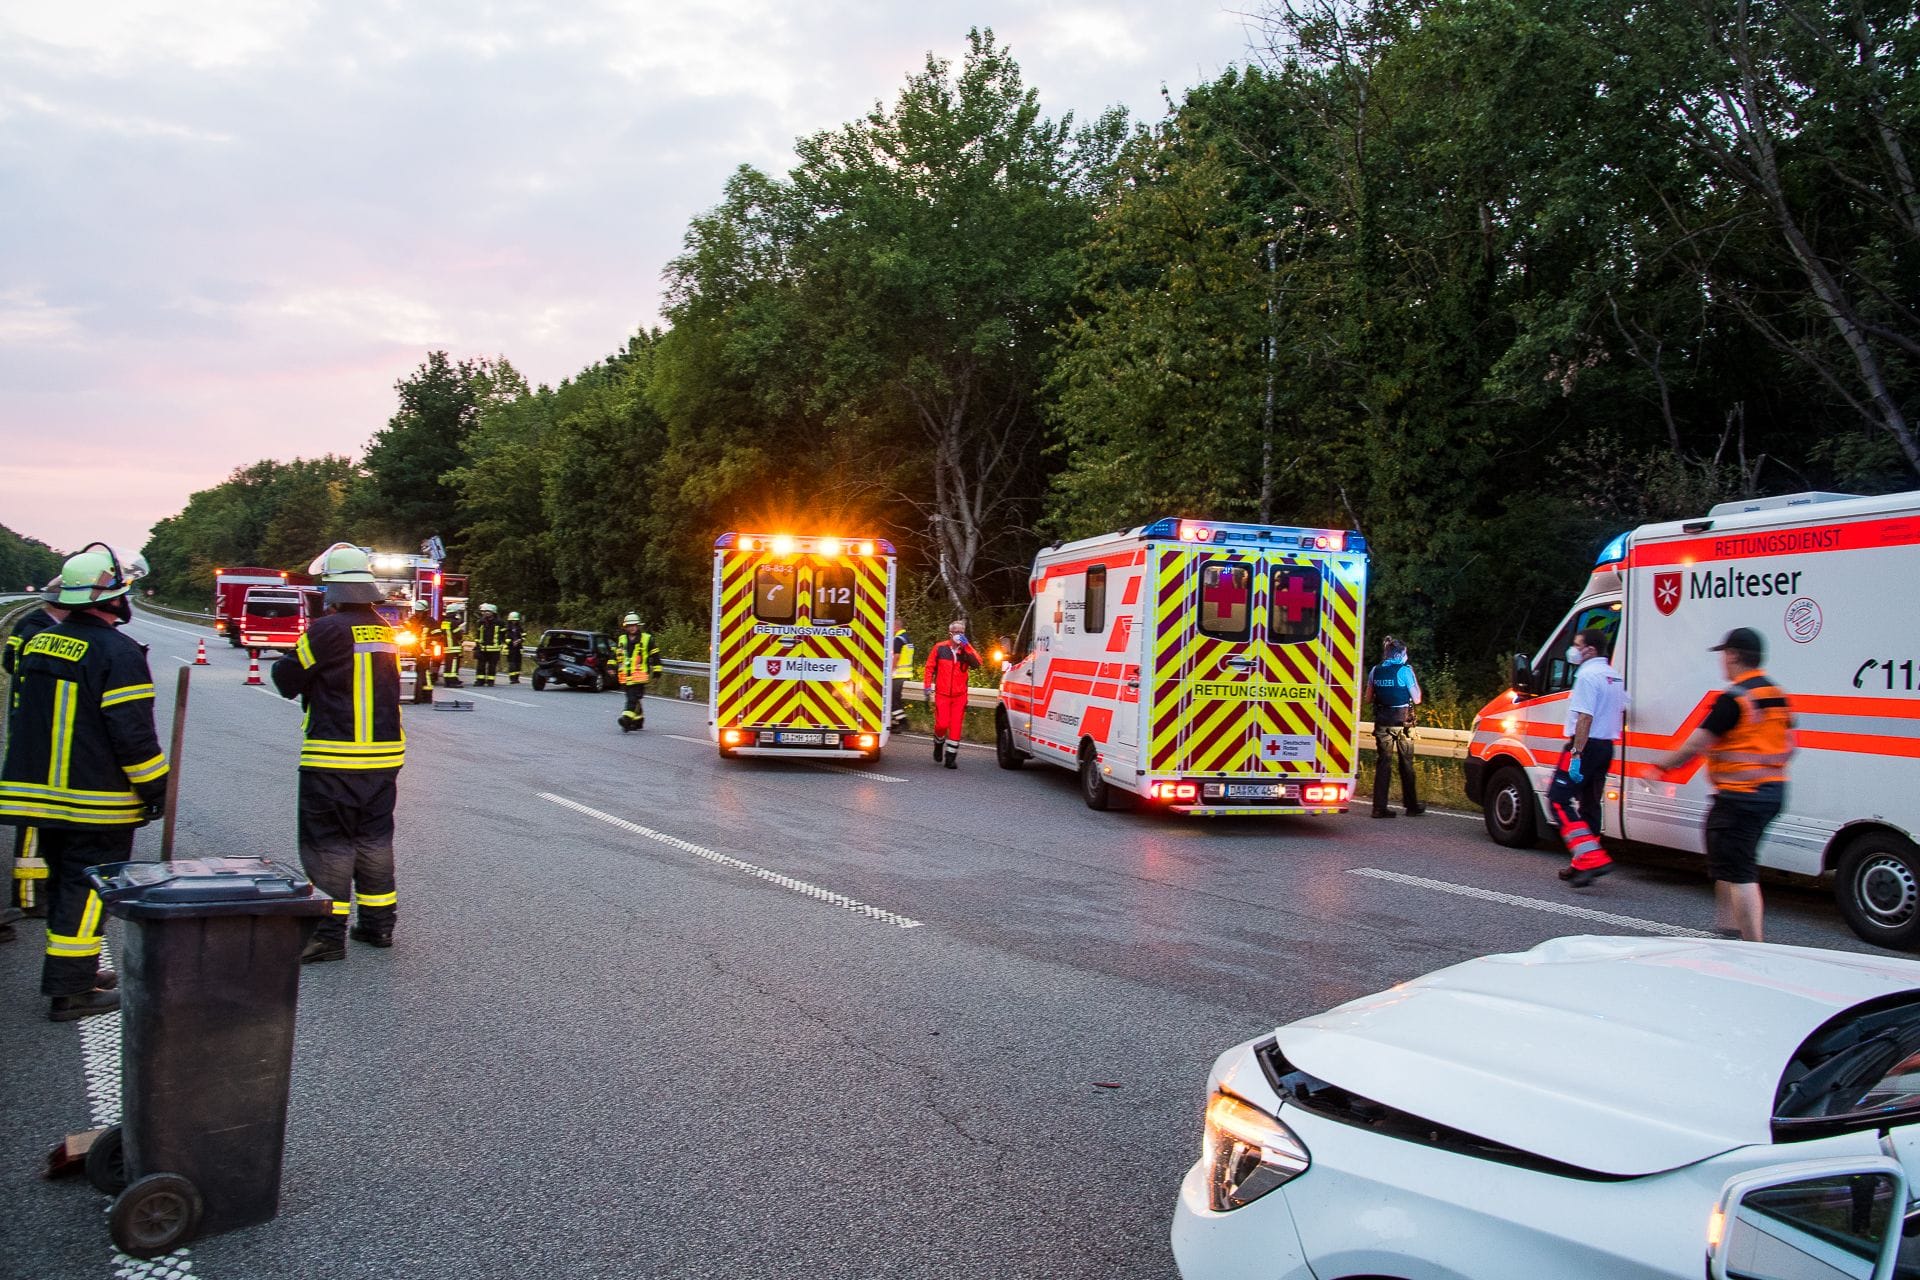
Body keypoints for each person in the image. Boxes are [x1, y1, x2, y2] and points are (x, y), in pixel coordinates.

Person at [0, 548, 167, 1019]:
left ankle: (76, 969)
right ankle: (72, 990)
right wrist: (156, 787)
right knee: (87, 888)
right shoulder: (119, 652)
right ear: (109, 599)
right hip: (95, 800)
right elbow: (132, 735)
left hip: (38, 793)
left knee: (64, 884)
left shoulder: (39, 643)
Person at [272, 543, 406, 963]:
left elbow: (286, 679)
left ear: (331, 590)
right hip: (383, 758)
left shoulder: (325, 631)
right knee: (373, 839)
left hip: (332, 757)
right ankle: (378, 925)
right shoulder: (385, 631)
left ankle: (328, 935)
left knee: (329, 843)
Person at [1654, 627, 1793, 941]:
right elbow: (1790, 745)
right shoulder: (1776, 695)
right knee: (1728, 861)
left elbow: (1695, 745)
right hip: (1772, 792)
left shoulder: (1734, 700)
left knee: (1740, 870)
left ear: (1733, 656)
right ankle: (1726, 931)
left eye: (1724, 655)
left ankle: (1752, 945)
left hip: (1741, 797)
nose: (1722, 662)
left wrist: (1660, 766)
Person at [1553, 628, 1629, 888]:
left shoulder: (1587, 675)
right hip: (1606, 746)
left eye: (1577, 645)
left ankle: (1591, 858)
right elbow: (1624, 707)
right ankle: (1581, 865)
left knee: (1559, 800)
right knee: (1589, 805)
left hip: (1583, 746)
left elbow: (1585, 717)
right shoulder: (1614, 676)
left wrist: (1576, 754)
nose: (1573, 650)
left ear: (1590, 650)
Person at [1364, 637, 1424, 818]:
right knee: (1406, 763)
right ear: (1400, 653)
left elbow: (1368, 699)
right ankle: (1411, 806)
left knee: (1384, 763)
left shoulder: (1376, 671)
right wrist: (1412, 675)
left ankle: (1378, 808)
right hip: (1402, 723)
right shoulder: (1405, 671)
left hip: (1382, 722)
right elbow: (1417, 698)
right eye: (1405, 653)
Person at [923, 619, 980, 769]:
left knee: (955, 726)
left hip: (960, 696)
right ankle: (938, 743)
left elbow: (977, 663)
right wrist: (927, 686)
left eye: (962, 632)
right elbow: (929, 667)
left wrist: (966, 646)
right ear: (950, 633)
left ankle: (950, 758)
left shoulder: (966, 650)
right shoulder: (940, 648)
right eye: (956, 632)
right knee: (941, 724)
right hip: (942, 694)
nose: (959, 635)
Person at [615, 613, 661, 732]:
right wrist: (610, 666)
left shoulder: (647, 639)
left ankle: (626, 719)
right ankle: (638, 720)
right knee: (634, 699)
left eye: (634, 625)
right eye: (629, 626)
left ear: (638, 626)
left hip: (639, 677)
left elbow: (655, 656)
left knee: (632, 698)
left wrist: (657, 671)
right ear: (625, 627)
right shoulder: (622, 639)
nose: (632, 628)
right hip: (625, 677)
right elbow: (616, 655)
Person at [473, 603, 504, 687]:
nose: (486, 613)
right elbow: (478, 634)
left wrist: (502, 645)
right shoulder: (481, 622)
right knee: (480, 666)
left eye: (488, 611)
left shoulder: (499, 622)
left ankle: (490, 681)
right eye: (485, 611)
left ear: (493, 612)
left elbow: (503, 635)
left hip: (494, 648)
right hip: (483, 648)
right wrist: (477, 645)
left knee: (492, 666)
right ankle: (480, 680)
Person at [890, 628, 914, 731]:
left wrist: (891, 671)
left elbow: (897, 656)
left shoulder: (898, 639)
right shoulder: (907, 639)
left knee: (892, 700)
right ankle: (895, 722)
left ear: (896, 626)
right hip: (906, 674)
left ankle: (902, 722)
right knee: (896, 700)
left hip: (898, 675)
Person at [439, 602, 465, 687]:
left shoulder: (445, 622)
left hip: (447, 647)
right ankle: (452, 682)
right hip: (454, 647)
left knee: (448, 665)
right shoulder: (454, 623)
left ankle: (448, 680)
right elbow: (459, 635)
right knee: (453, 665)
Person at [504, 610, 526, 684]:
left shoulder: (520, 628)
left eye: (516, 620)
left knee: (518, 664)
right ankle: (512, 678)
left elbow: (524, 636)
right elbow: (504, 638)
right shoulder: (507, 628)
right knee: (512, 664)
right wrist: (511, 642)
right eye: (513, 620)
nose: (514, 622)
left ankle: (517, 678)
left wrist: (520, 640)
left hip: (518, 648)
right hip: (510, 648)